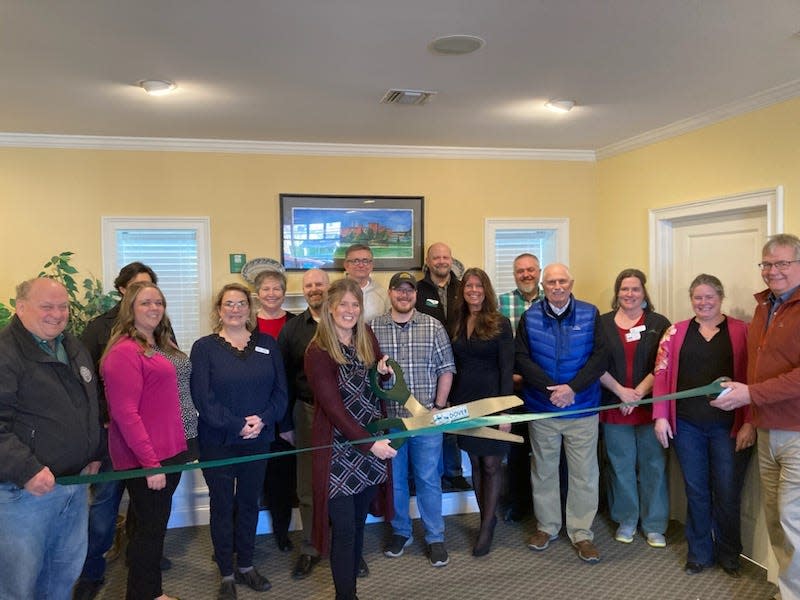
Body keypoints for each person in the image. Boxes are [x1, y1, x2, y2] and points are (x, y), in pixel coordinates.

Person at [710, 233, 800, 599]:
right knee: (777, 521)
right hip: (766, 428)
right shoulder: (766, 305)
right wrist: (742, 390)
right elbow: (763, 366)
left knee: (792, 521)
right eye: (766, 264)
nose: (772, 271)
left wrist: (751, 393)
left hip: (796, 432)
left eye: (782, 263)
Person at [0, 278, 101, 600]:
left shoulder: (72, 345)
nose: (57, 314)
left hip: (73, 486)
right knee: (20, 583)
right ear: (21, 307)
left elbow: (89, 403)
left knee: (62, 575)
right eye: (47, 306)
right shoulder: (5, 353)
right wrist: (26, 469)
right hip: (25, 493)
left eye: (63, 306)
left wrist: (94, 451)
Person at [190, 283, 288, 600]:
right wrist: (237, 425)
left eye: (241, 303)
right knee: (221, 505)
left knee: (249, 503)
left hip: (258, 438)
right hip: (218, 440)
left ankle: (246, 565)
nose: (235, 309)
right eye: (228, 303)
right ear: (219, 309)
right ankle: (226, 573)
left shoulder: (268, 345)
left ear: (250, 308)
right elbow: (203, 398)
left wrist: (262, 420)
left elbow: (280, 394)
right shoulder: (204, 347)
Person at [652, 273, 754, 577]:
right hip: (687, 426)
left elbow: (753, 382)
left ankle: (729, 553)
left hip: (728, 427)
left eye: (709, 296)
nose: (703, 302)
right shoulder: (675, 332)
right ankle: (698, 553)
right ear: (691, 299)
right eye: (698, 297)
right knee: (695, 490)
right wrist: (659, 416)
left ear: (721, 298)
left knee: (726, 489)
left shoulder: (742, 332)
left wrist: (750, 423)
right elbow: (660, 375)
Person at [73, 261, 162, 600]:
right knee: (105, 503)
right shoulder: (99, 329)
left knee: (145, 504)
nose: (148, 299)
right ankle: (91, 572)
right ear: (123, 290)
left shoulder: (158, 328)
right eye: (138, 288)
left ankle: (142, 561)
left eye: (151, 290)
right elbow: (87, 383)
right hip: (112, 434)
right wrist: (109, 417)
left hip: (149, 438)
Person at [305, 278, 397, 600]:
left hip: (368, 448)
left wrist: (382, 370)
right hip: (339, 454)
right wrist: (370, 445)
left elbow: (373, 375)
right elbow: (334, 410)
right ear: (330, 308)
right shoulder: (318, 351)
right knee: (343, 531)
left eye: (354, 304)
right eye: (343, 304)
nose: (349, 310)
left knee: (357, 525)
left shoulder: (365, 336)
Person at [101, 282, 192, 600]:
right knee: (148, 533)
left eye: (159, 302)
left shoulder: (155, 343)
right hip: (148, 459)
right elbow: (125, 414)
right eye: (145, 303)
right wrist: (150, 464)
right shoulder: (124, 351)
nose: (154, 308)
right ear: (130, 308)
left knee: (152, 529)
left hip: (170, 453)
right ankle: (143, 595)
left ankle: (151, 592)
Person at [515, 263, 607, 563]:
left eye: (562, 281)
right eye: (551, 282)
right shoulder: (530, 317)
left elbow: (600, 357)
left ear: (571, 283)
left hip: (582, 408)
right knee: (544, 471)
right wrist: (551, 390)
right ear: (543, 285)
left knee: (584, 475)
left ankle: (582, 533)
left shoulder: (591, 314)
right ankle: (547, 527)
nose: (557, 286)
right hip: (543, 409)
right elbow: (522, 359)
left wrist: (573, 389)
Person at [371, 271, 456, 567]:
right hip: (391, 421)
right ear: (390, 293)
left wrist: (438, 405)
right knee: (395, 481)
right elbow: (367, 373)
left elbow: (446, 368)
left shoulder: (433, 327)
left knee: (428, 479)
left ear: (415, 295)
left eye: (409, 290)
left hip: (425, 420)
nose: (404, 295)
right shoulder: (373, 328)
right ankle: (400, 531)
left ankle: (435, 537)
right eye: (398, 290)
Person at [598, 269, 671, 548]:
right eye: (624, 289)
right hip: (615, 406)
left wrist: (638, 393)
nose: (629, 294)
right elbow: (595, 364)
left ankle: (654, 524)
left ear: (644, 292)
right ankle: (627, 519)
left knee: (654, 466)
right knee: (620, 466)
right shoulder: (602, 324)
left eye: (635, 289)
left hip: (650, 408)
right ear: (617, 292)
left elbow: (664, 363)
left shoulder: (659, 322)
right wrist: (621, 392)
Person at [450, 267, 513, 556]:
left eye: (478, 286)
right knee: (475, 462)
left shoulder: (500, 322)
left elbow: (506, 368)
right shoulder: (456, 320)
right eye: (468, 286)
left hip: (492, 401)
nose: (473, 290)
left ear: (485, 290)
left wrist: (504, 411)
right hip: (464, 401)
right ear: (462, 291)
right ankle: (485, 517)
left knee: (491, 464)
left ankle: (487, 525)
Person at [277, 268, 330, 580]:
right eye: (309, 285)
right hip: (306, 411)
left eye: (319, 284)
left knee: (341, 484)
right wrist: (285, 422)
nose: (314, 289)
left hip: (344, 417)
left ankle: (343, 545)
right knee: (308, 484)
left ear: (329, 287)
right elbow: (282, 380)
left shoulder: (347, 321)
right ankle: (310, 547)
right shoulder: (293, 329)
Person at [415, 242, 468, 492]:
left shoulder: (463, 288)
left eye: (446, 257)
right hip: (427, 363)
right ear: (428, 260)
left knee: (453, 417)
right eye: (436, 257)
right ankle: (427, 473)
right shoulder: (417, 288)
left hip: (459, 361)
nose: (441, 261)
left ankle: (453, 471)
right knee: (429, 415)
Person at [497, 252, 542, 521]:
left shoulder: (553, 300)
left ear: (539, 272)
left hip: (544, 390)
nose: (526, 275)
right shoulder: (502, 303)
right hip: (512, 387)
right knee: (515, 448)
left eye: (530, 270)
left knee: (544, 449)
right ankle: (516, 502)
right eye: (520, 271)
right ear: (514, 275)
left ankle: (544, 506)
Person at [253, 269, 297, 553]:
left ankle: (283, 533)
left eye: (277, 289)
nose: (272, 294)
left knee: (283, 478)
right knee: (251, 477)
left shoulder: (295, 323)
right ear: (257, 293)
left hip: (289, 411)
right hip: (254, 413)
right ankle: (237, 536)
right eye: (266, 289)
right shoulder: (246, 324)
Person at [343, 243, 389, 323]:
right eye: (356, 261)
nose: (361, 265)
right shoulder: (335, 291)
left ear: (371, 265)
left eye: (365, 261)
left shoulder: (382, 293)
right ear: (346, 265)